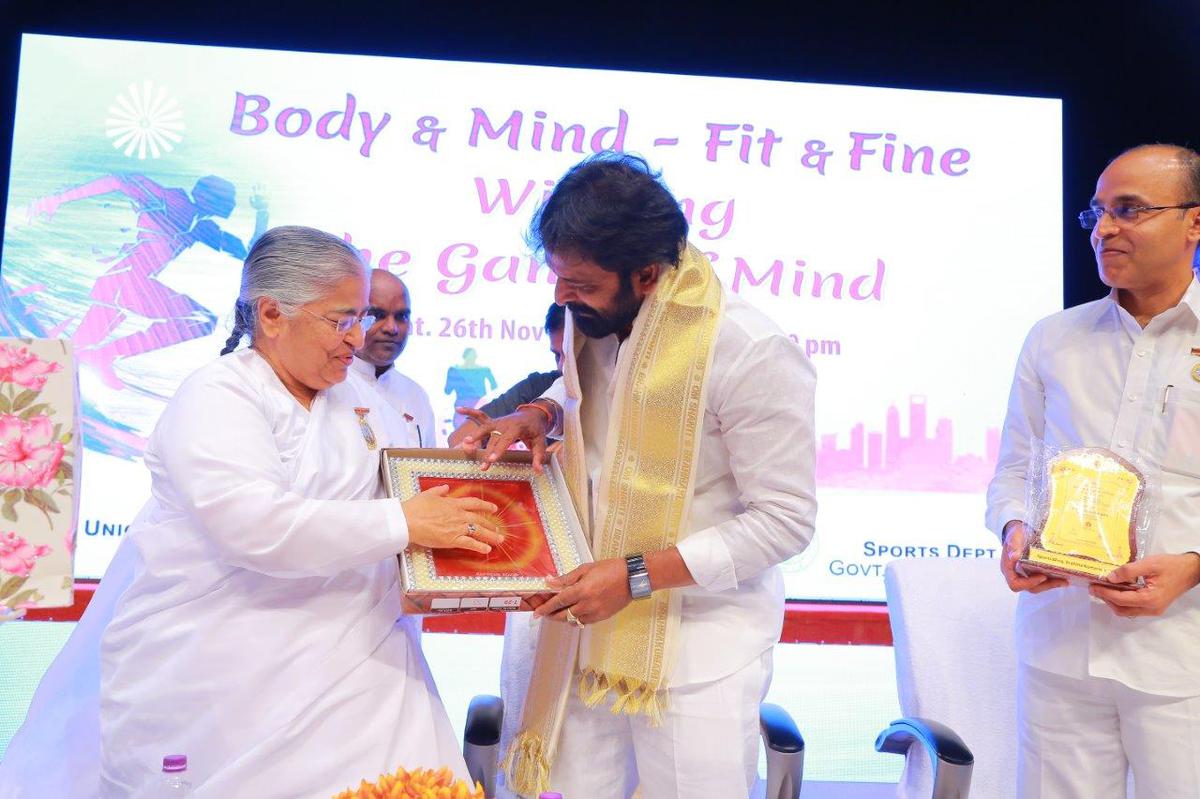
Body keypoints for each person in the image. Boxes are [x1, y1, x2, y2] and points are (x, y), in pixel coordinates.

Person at [0, 226, 504, 799]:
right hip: (219, 678)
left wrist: (475, 541)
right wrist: (404, 522)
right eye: (341, 321)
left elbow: (398, 509)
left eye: (360, 318)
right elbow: (256, 527)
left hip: (363, 666)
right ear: (271, 315)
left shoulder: (365, 404)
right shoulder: (218, 396)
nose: (357, 338)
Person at [464, 153, 817, 799]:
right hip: (575, 632)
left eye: (582, 283)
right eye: (557, 277)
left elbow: (785, 521)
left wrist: (633, 574)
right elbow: (604, 431)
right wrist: (539, 416)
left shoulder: (750, 350)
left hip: (696, 650)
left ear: (647, 274)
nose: (562, 298)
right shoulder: (591, 323)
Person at [987, 144, 1200, 798]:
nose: (1105, 229)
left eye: (1130, 210)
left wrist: (1192, 565)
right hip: (1060, 645)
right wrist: (1016, 532)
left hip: (1183, 648)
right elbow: (1016, 466)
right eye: (1098, 213)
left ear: (1194, 222)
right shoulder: (1054, 337)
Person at [25, 174, 269, 389]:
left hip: (135, 286)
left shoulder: (203, 227)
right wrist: (58, 199)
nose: (234, 204)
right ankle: (37, 388)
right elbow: (119, 180)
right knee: (72, 350)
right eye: (229, 197)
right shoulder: (172, 201)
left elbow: (251, 251)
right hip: (123, 282)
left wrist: (262, 212)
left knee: (199, 321)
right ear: (210, 197)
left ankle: (98, 358)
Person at [447, 303, 564, 447]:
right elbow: (459, 438)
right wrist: (472, 444)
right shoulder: (540, 386)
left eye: (572, 356)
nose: (562, 366)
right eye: (558, 355)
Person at [353, 269, 436, 446]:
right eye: (378, 315)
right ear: (355, 317)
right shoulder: (330, 386)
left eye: (401, 317)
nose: (392, 328)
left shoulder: (416, 395)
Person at [444, 347, 496, 427]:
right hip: (468, 408)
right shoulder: (484, 370)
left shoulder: (484, 370)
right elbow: (494, 387)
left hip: (475, 407)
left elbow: (447, 390)